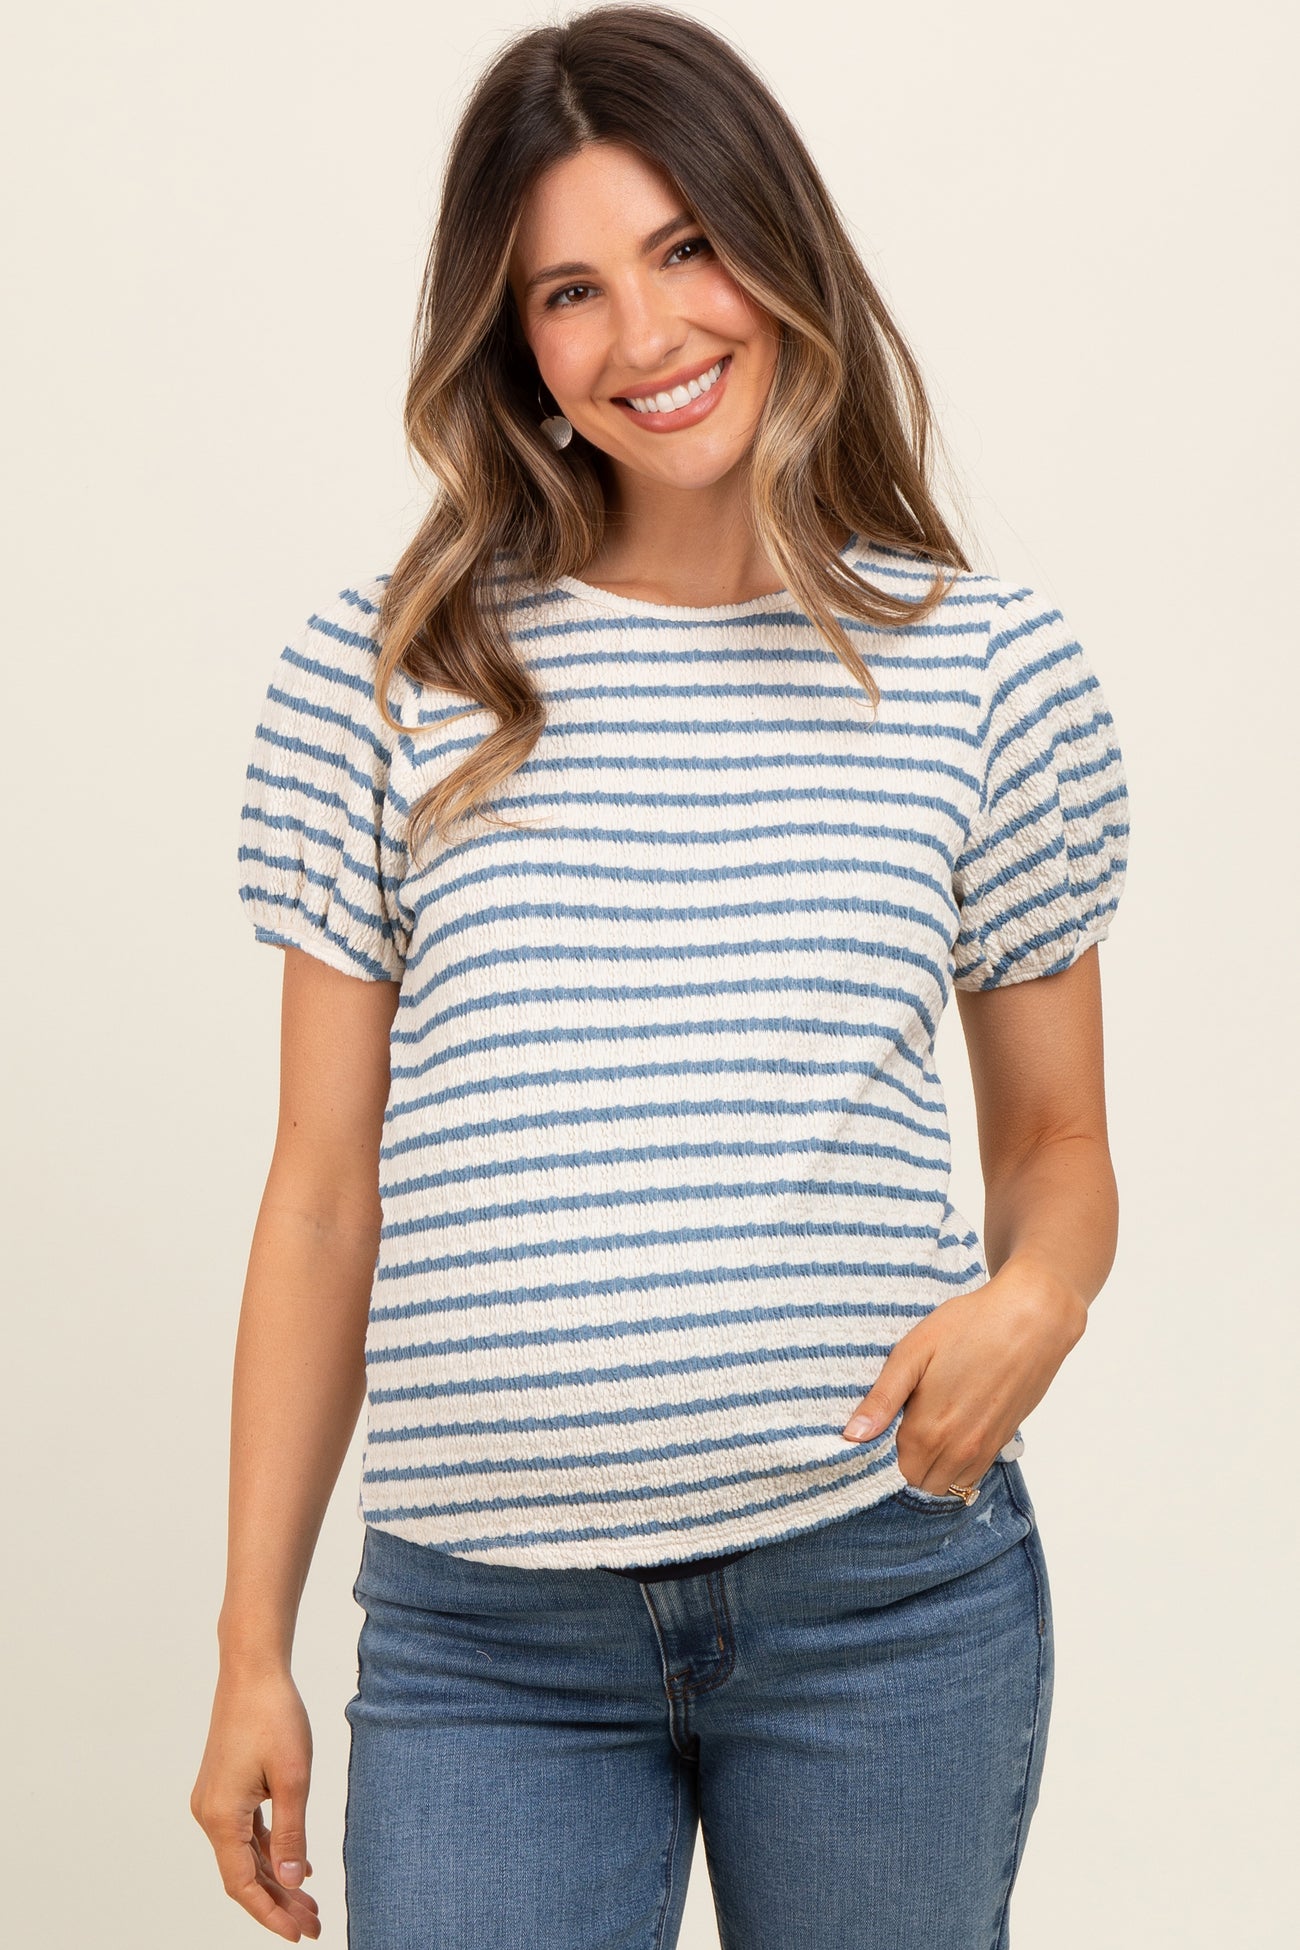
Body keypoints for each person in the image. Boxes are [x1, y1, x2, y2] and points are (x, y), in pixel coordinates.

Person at [190, 7, 1131, 1946]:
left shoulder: (984, 669)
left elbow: (1055, 1143)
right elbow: (320, 1192)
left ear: (780, 247)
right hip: (486, 1647)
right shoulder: (389, 671)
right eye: (570, 291)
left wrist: (1036, 1295)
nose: (645, 333)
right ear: (512, 340)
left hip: (880, 1600)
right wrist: (249, 1646)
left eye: (688, 247)